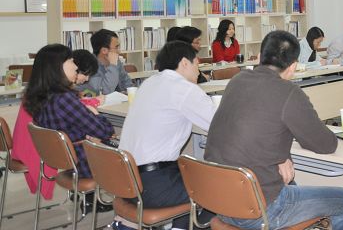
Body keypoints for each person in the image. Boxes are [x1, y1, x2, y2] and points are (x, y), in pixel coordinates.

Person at [205, 30, 343, 229]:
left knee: (292, 186)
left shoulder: (237, 81)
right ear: (293, 67)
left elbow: (254, 129)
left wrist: (282, 156)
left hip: (218, 200)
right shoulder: (289, 92)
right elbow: (326, 144)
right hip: (259, 209)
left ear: (260, 57)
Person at [118, 41, 217, 230]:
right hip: (152, 186)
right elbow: (220, 124)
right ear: (185, 62)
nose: (199, 70)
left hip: (126, 182)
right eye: (197, 64)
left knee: (189, 176)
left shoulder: (149, 83)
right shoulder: (183, 89)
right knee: (224, 188)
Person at [23, 44, 115, 213]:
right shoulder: (64, 99)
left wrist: (88, 132)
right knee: (134, 149)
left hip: (69, 161)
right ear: (58, 67)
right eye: (71, 61)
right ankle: (132, 207)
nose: (75, 66)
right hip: (86, 162)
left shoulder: (40, 96)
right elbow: (106, 131)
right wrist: (95, 114)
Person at [75, 29, 133, 95]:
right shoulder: (90, 65)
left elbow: (126, 82)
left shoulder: (116, 61)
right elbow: (104, 91)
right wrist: (113, 66)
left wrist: (130, 92)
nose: (119, 51)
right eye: (116, 47)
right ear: (104, 50)